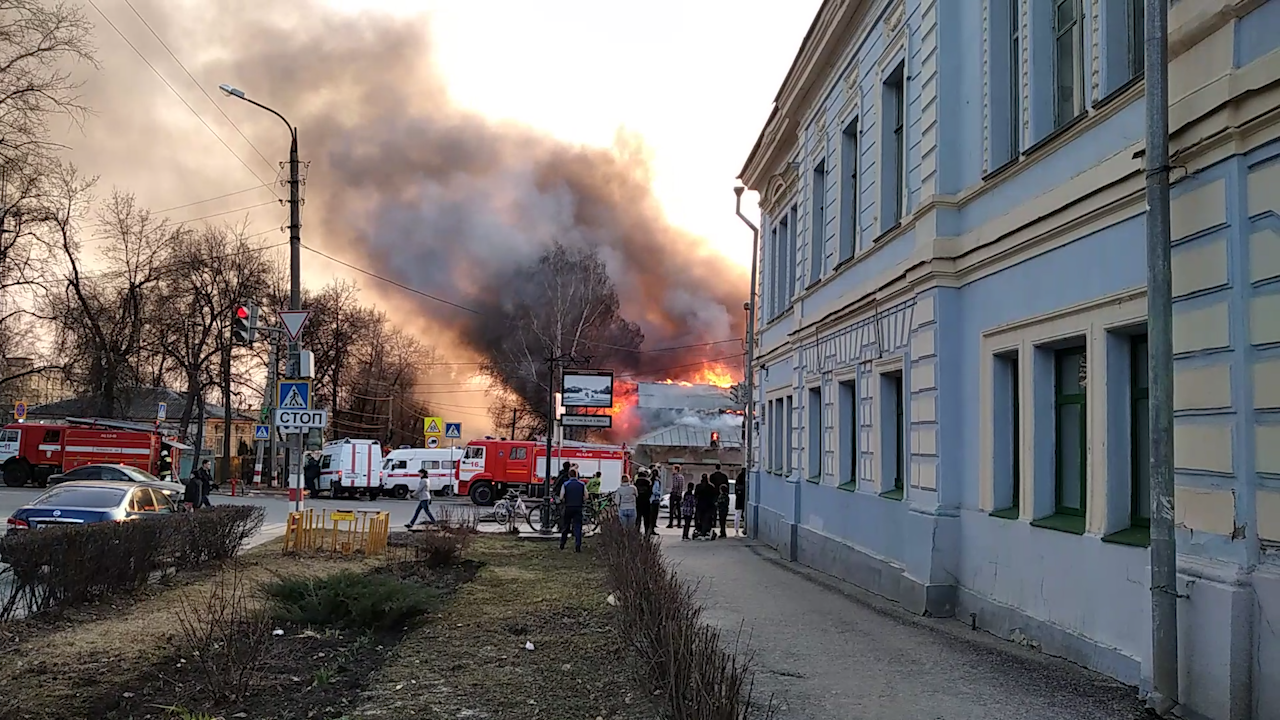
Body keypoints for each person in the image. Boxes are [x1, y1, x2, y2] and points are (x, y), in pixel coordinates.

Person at [559, 470, 587, 553]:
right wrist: (581, 500)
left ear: (569, 475)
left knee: (566, 526)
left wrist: (565, 500)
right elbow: (586, 496)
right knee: (578, 526)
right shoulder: (582, 484)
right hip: (578, 507)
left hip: (568, 507)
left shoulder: (566, 484)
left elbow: (561, 496)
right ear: (577, 475)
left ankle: (562, 544)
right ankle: (578, 545)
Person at [694, 473, 718, 539]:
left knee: (700, 519)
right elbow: (714, 496)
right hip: (708, 506)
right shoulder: (711, 487)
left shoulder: (698, 486)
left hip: (700, 505)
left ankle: (700, 531)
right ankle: (706, 531)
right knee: (707, 519)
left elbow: (695, 496)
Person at [647, 471, 662, 536]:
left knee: (650, 516)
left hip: (650, 500)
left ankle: (649, 529)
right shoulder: (656, 481)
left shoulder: (649, 480)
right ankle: (652, 530)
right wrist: (660, 493)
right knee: (654, 516)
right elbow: (655, 491)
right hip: (655, 499)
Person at [734, 468, 747, 536]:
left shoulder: (738, 478)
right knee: (745, 515)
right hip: (746, 500)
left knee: (738, 515)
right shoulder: (747, 478)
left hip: (739, 500)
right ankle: (745, 528)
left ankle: (736, 530)